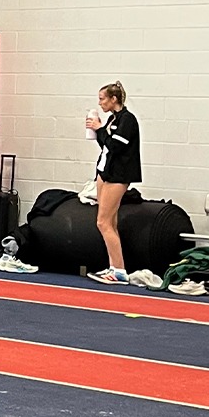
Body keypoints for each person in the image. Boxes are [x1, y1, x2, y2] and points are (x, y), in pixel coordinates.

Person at [85, 81, 141, 285]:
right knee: (110, 222)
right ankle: (112, 265)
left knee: (102, 222)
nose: (100, 103)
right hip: (105, 171)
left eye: (102, 99)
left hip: (119, 175)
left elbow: (116, 146)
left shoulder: (128, 120)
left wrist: (100, 129)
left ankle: (119, 269)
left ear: (113, 99)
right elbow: (105, 145)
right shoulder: (112, 119)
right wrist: (99, 130)